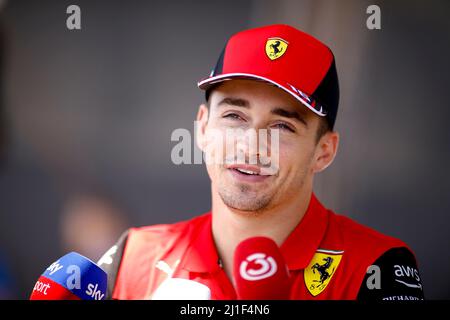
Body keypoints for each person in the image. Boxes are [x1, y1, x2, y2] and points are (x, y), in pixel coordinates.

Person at [98, 24, 424, 300]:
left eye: (282, 126)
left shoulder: (374, 268)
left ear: (323, 151)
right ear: (202, 128)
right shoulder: (133, 257)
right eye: (234, 116)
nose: (251, 145)